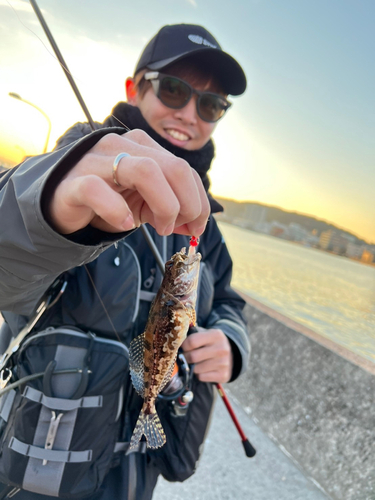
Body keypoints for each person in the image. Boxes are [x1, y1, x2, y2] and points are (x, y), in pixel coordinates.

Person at [0, 24, 250, 499]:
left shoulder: (206, 228)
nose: (189, 114)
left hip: (134, 479)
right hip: (34, 469)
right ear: (135, 88)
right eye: (174, 90)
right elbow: (7, 278)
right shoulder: (69, 171)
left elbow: (229, 302)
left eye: (211, 104)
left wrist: (230, 344)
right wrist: (46, 210)